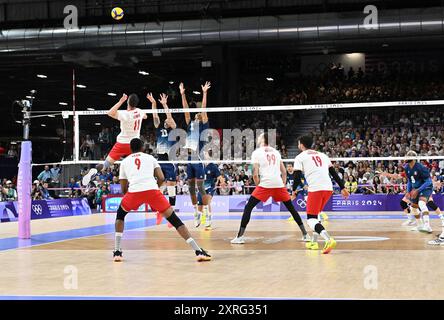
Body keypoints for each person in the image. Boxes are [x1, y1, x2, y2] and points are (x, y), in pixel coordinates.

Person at [113, 138, 211, 262]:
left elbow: (123, 188)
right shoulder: (151, 158)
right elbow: (161, 177)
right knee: (175, 221)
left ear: (130, 149)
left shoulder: (125, 162)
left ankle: (117, 251)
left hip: (134, 193)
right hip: (153, 192)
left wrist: (132, 197)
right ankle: (197, 250)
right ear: (143, 147)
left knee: (120, 216)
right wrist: (155, 189)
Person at [231, 133, 309, 244]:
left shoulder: (256, 153)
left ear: (263, 139)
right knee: (291, 209)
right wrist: (282, 183)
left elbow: (255, 174)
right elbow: (284, 171)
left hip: (265, 184)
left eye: (259, 136)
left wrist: (258, 185)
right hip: (278, 184)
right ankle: (305, 235)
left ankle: (239, 237)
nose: (258, 138)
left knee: (248, 208)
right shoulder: (276, 152)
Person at [291, 135, 350, 254]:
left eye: (298, 143)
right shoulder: (323, 155)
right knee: (316, 215)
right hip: (328, 189)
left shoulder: (299, 157)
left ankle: (328, 239)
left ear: (301, 145)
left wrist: (294, 191)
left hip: (316, 189)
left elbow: (296, 176)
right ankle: (314, 242)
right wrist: (342, 187)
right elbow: (333, 173)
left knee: (311, 220)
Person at [82, 93, 147, 186]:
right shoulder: (140, 111)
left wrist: (121, 101)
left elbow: (110, 113)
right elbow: (145, 116)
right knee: (137, 167)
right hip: (134, 145)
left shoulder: (125, 114)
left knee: (106, 164)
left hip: (122, 144)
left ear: (128, 101)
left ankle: (95, 171)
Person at [180, 81, 212, 228]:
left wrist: (205, 93)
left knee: (201, 188)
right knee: (191, 188)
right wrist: (182, 94)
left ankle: (205, 212)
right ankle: (195, 213)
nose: (197, 114)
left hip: (198, 159)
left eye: (199, 114)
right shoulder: (190, 124)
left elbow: (204, 109)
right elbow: (185, 110)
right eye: (197, 114)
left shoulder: (203, 125)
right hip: (189, 159)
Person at [148, 92, 178, 224]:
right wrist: (153, 103)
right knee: (159, 186)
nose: (166, 120)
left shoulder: (173, 129)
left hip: (170, 160)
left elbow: (169, 117)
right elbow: (155, 115)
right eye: (165, 120)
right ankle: (159, 212)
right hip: (160, 159)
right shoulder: (159, 127)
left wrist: (165, 105)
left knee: (171, 186)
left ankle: (172, 216)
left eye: (168, 120)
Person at [403, 150, 434, 233]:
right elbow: (410, 180)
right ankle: (420, 226)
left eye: (408, 156)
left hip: (426, 187)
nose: (406, 157)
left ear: (413, 159)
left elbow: (429, 181)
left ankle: (427, 226)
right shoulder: (406, 167)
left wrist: (418, 190)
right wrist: (408, 191)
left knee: (421, 204)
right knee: (413, 208)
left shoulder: (421, 167)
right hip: (415, 188)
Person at [196, 152, 223, 230]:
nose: (204, 155)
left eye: (206, 154)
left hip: (211, 187)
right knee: (200, 206)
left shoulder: (213, 166)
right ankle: (200, 218)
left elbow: (219, 176)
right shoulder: (200, 165)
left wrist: (222, 181)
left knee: (207, 201)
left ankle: (209, 219)